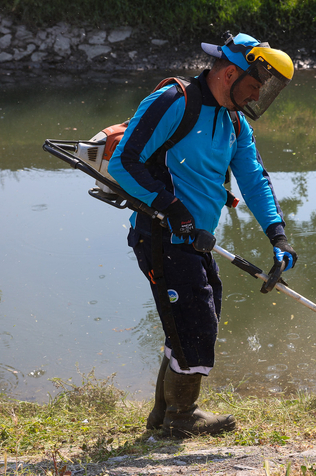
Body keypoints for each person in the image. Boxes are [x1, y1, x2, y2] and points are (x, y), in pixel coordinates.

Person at [107, 31, 298, 436]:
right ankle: (180, 418)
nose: (255, 97)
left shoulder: (233, 120)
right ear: (230, 73)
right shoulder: (174, 103)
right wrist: (173, 209)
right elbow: (125, 163)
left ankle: (164, 416)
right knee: (194, 323)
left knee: (192, 319)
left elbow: (254, 178)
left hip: (195, 240)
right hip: (160, 236)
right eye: (254, 86)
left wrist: (278, 236)